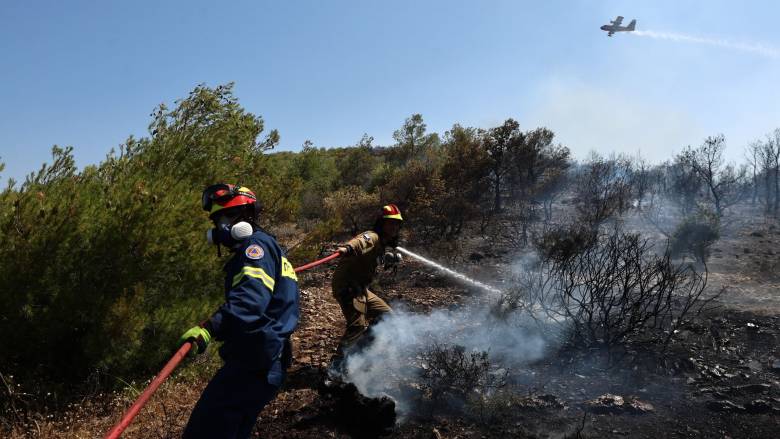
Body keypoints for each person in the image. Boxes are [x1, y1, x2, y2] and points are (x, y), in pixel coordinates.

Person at [179, 184, 299, 439]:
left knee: (203, 432)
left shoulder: (255, 249)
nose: (219, 228)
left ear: (244, 217)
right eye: (217, 220)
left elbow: (250, 301)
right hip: (268, 360)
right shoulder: (271, 247)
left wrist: (210, 328)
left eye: (223, 218)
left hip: (254, 364)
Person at [331, 204, 404, 353]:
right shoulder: (373, 236)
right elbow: (362, 241)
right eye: (390, 223)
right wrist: (348, 248)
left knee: (388, 316)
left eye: (396, 224)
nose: (394, 227)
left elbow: (373, 258)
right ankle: (336, 369)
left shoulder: (382, 243)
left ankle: (358, 354)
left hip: (361, 289)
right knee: (357, 326)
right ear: (381, 223)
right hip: (348, 287)